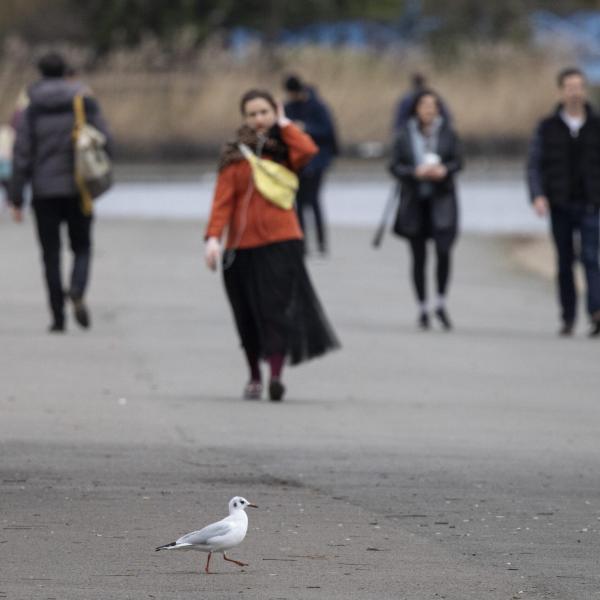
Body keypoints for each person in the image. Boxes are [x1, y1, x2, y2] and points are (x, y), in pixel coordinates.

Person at [204, 89, 340, 401]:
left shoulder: (285, 148)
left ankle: (275, 377)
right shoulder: (233, 154)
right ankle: (254, 377)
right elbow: (222, 201)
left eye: (264, 112)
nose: (258, 119)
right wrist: (212, 238)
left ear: (273, 112)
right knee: (246, 314)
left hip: (281, 242)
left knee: (274, 311)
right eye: (252, 114)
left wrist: (284, 122)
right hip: (240, 247)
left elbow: (309, 150)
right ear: (244, 118)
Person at [9, 51, 113, 332]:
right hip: (78, 187)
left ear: (40, 73)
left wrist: (16, 197)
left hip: (43, 192)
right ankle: (77, 288)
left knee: (50, 254)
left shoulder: (31, 108)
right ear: (67, 72)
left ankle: (57, 317)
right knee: (82, 246)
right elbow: (105, 139)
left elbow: (21, 154)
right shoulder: (83, 102)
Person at [527, 67, 600, 338]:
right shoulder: (547, 127)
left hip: (592, 203)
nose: (575, 92)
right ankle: (568, 316)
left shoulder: (596, 125)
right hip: (559, 203)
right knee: (565, 261)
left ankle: (596, 311)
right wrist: (537, 195)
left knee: (592, 257)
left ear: (585, 90)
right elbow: (534, 164)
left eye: (579, 86)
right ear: (561, 91)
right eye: (570, 87)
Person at [389, 90, 463, 330]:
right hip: (415, 200)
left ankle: (440, 302)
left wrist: (444, 170)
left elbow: (458, 162)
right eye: (423, 106)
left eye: (432, 106)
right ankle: (422, 307)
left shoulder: (449, 134)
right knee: (418, 257)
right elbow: (394, 165)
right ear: (416, 110)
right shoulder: (404, 135)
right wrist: (414, 172)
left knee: (443, 252)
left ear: (438, 109)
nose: (428, 110)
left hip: (442, 200)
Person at [283, 74, 338, 256]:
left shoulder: (318, 106)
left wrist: (306, 128)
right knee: (298, 203)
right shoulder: (288, 107)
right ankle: (302, 244)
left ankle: (322, 244)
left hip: (318, 161)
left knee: (314, 201)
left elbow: (328, 131)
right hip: (296, 163)